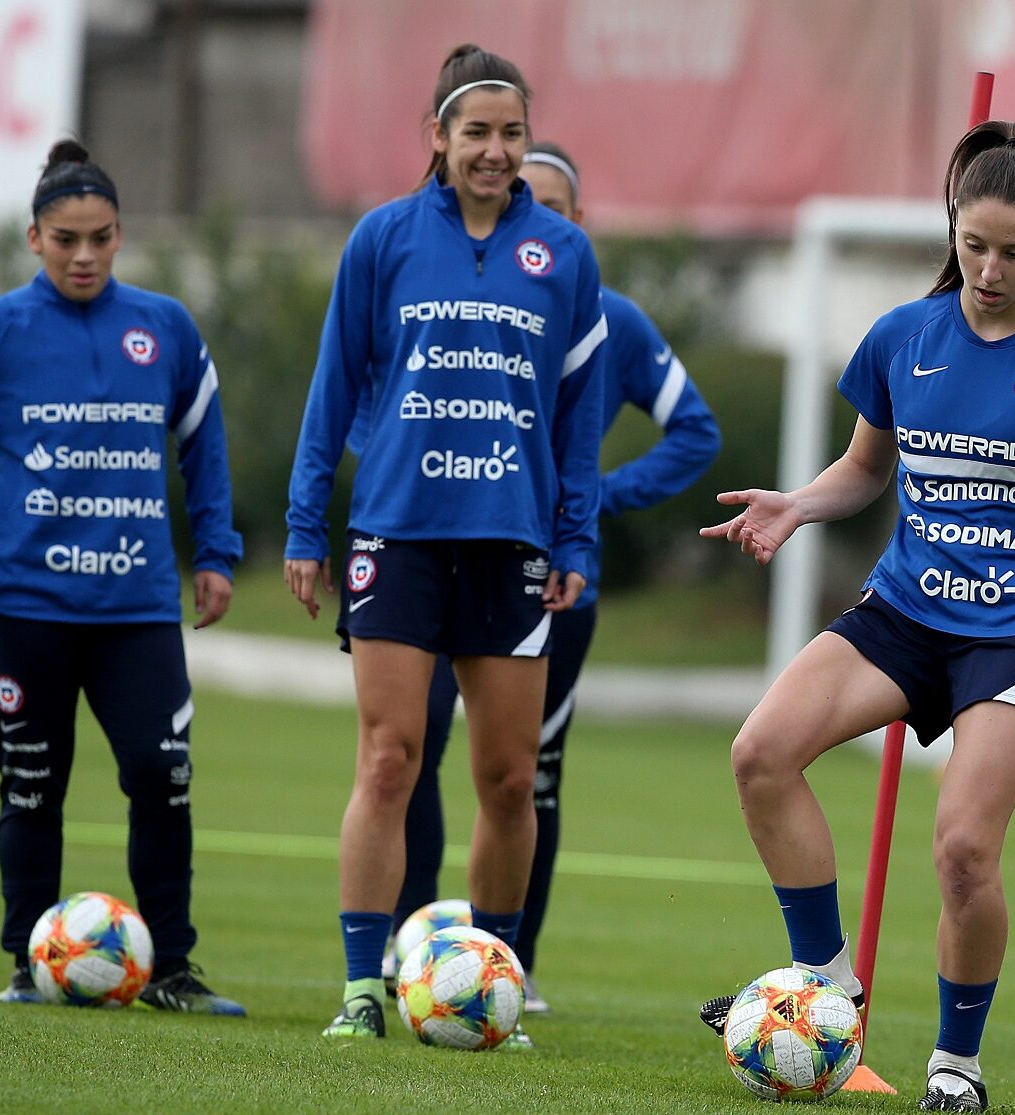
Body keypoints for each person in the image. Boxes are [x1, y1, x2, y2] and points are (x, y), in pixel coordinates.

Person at [695, 121, 1015, 1112]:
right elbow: (865, 468)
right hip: (906, 607)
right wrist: (797, 505)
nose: (987, 268)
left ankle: (955, 1063)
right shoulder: (904, 337)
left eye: (1013, 253)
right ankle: (830, 986)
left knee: (962, 850)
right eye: (973, 243)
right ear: (952, 225)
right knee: (758, 752)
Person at [284, 46, 609, 1045]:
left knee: (508, 778)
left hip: (510, 543)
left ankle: (493, 986)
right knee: (388, 759)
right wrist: (306, 521)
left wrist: (575, 538)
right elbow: (333, 386)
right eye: (476, 132)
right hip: (399, 535)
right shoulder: (381, 239)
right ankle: (359, 989)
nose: (495, 151)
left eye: (511, 134)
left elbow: (578, 416)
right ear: (436, 136)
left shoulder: (564, 255)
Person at [0, 139, 247, 1016]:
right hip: (20, 602)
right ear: (34, 239)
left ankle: (171, 965)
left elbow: (204, 440)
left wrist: (215, 552)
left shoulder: (165, 327)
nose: (84, 255)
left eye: (100, 238)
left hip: (134, 605)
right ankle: (28, 960)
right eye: (65, 240)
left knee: (162, 771)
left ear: (122, 234)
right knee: (31, 782)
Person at [382, 141, 723, 1014]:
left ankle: (509, 966)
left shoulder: (612, 319)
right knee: (405, 755)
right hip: (430, 560)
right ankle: (403, 946)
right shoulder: (446, 295)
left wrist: (598, 497)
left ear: (579, 224)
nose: (541, 216)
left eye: (559, 206)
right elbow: (367, 399)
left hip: (552, 582)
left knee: (527, 778)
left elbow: (695, 430)